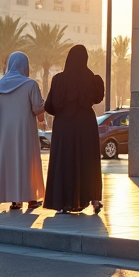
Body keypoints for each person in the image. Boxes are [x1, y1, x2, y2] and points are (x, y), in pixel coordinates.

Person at [43, 45, 105, 215]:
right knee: (89, 161)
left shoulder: (59, 79)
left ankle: (64, 203)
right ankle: (94, 200)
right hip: (86, 124)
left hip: (64, 125)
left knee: (65, 160)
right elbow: (98, 97)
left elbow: (50, 105)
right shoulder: (91, 78)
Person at [0, 52, 46, 209]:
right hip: (24, 132)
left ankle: (15, 200)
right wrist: (44, 114)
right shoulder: (30, 85)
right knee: (26, 161)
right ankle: (31, 198)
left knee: (9, 163)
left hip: (4, 133)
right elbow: (38, 109)